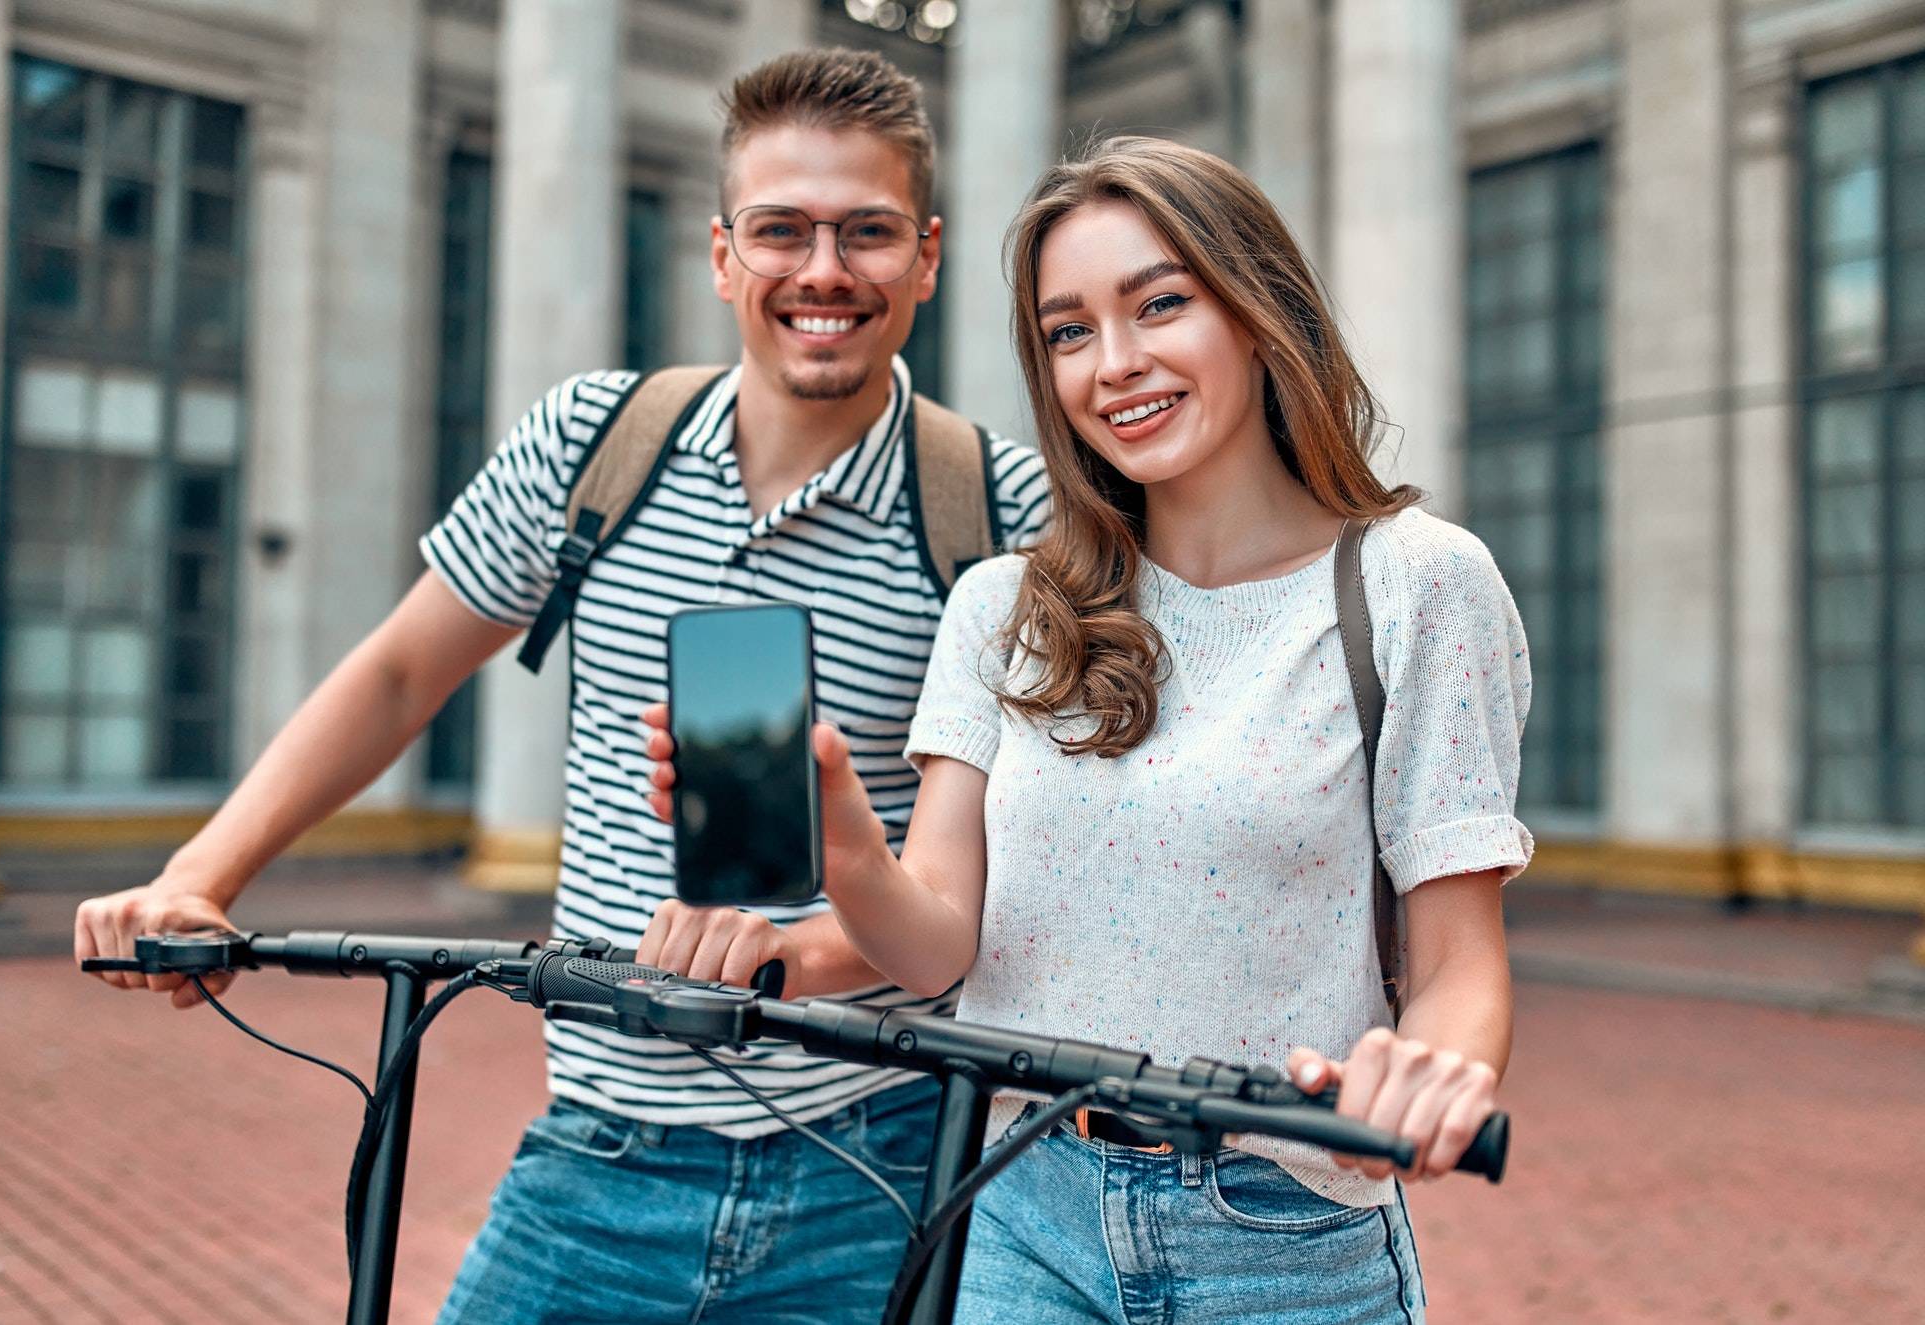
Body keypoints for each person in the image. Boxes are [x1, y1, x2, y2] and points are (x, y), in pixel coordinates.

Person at [75, 48, 1049, 1324]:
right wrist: (202, 874)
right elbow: (398, 670)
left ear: (924, 256)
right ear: (719, 255)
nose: (822, 271)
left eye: (865, 232)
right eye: (780, 231)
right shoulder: (593, 445)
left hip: (876, 1154)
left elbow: (992, 875)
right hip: (601, 1151)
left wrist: (789, 955)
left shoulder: (999, 510)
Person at [647, 136, 1532, 1323]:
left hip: (1281, 1228)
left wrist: (1432, 1074)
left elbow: (1459, 962)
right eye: (1067, 332)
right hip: (1019, 1201)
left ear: (1258, 307)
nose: (1112, 365)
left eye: (1157, 304)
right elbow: (935, 948)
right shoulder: (1003, 605)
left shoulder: (1419, 585)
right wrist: (847, 840)